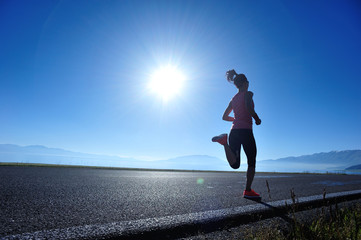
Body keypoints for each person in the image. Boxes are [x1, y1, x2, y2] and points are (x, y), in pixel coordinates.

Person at [212, 69, 262, 199]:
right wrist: (257, 119)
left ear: (236, 85)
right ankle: (248, 190)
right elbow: (249, 107)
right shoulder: (248, 94)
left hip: (234, 131)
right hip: (246, 131)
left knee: (235, 164)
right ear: (246, 83)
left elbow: (224, 117)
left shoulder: (233, 99)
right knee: (251, 161)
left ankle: (224, 143)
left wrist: (235, 120)